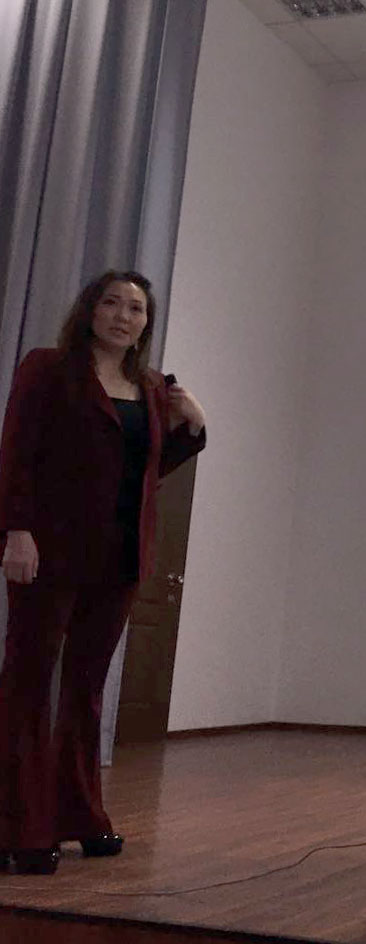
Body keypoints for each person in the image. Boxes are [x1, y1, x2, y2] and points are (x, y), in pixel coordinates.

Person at [0, 271, 206, 875]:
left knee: (86, 690)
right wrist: (16, 531)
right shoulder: (48, 369)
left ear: (146, 323)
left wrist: (193, 427)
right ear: (89, 310)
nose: (123, 315)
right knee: (28, 683)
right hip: (48, 551)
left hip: (118, 558)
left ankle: (81, 816)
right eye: (112, 303)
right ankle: (20, 827)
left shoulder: (149, 386)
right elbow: (16, 451)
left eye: (135, 309)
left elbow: (140, 471)